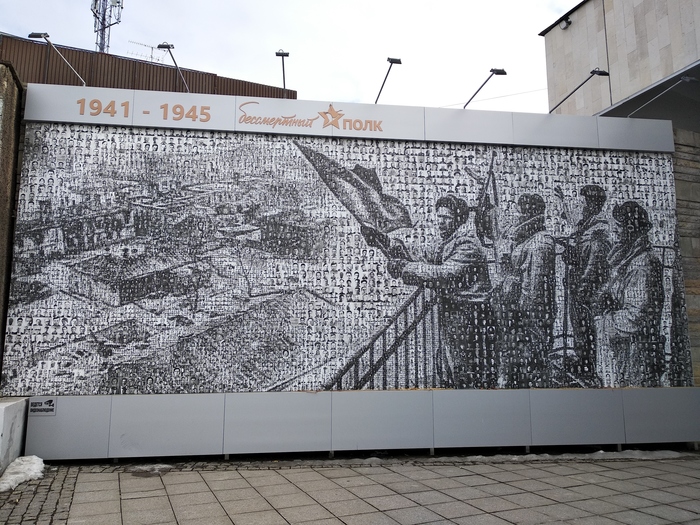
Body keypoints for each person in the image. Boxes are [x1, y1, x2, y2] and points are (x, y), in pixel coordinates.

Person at [366, 195, 496, 388]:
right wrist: (387, 243)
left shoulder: (468, 244)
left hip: (472, 315)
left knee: (468, 367)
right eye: (439, 217)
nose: (441, 222)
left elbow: (444, 273)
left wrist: (404, 267)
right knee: (454, 362)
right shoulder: (447, 241)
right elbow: (419, 255)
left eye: (447, 218)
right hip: (455, 311)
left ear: (459, 219)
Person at [594, 201, 664, 387]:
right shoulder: (628, 256)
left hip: (637, 355)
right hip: (627, 351)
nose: (613, 234)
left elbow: (636, 316)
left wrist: (604, 320)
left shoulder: (642, 264)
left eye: (617, 229)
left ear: (630, 229)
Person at [496, 193, 555, 388]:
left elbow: (536, 287)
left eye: (519, 212)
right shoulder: (526, 237)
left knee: (533, 359)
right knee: (519, 357)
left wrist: (521, 311)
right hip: (518, 311)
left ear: (527, 214)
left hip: (531, 314)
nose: (515, 216)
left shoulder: (541, 242)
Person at [562, 185, 611, 383]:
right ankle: (582, 361)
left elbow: (593, 267)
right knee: (579, 328)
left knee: (586, 329)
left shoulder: (598, 232)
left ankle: (588, 368)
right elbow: (584, 258)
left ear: (592, 205)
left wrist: (582, 290)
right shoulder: (589, 227)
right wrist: (572, 256)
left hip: (586, 293)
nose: (581, 207)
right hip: (579, 289)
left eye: (583, 203)